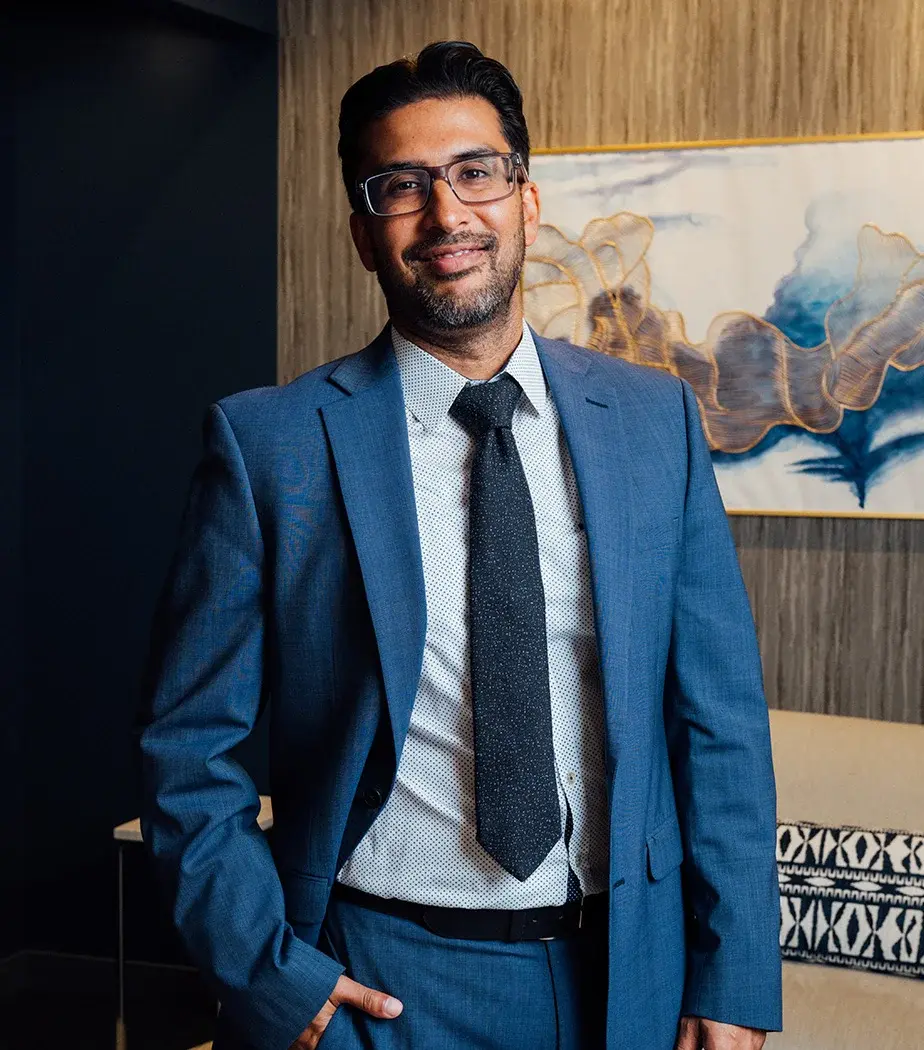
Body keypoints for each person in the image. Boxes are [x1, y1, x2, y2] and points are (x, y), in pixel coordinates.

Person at [140, 40, 782, 1050]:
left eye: (476, 173)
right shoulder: (270, 446)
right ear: (362, 233)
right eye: (402, 186)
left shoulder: (653, 423)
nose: (448, 216)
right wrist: (271, 975)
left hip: (630, 978)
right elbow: (187, 750)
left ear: (527, 200)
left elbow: (721, 724)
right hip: (381, 987)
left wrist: (735, 972)